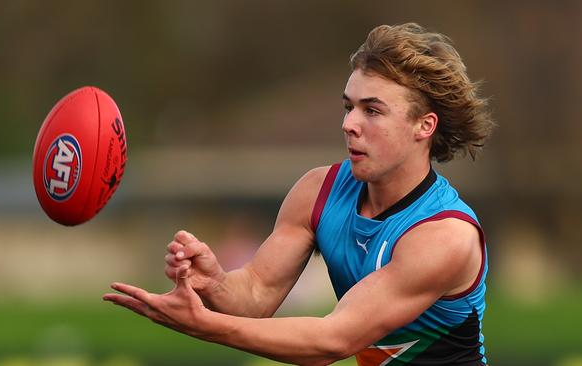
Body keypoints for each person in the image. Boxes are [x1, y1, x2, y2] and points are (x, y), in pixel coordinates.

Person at [104, 23, 495, 366]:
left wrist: (206, 325)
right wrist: (215, 284)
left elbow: (333, 341)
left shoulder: (444, 236)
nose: (349, 124)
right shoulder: (317, 192)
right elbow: (257, 293)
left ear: (424, 126)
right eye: (349, 106)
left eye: (372, 111)